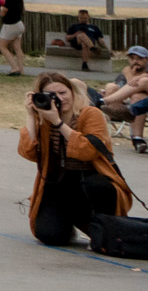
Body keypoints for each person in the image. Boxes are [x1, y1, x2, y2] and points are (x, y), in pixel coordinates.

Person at [19, 72, 135, 246]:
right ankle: (69, 223)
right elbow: (28, 152)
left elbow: (87, 151)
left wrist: (58, 123)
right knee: (49, 236)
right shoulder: (44, 118)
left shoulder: (90, 114)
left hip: (91, 181)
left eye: (63, 93)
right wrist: (30, 115)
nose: (59, 99)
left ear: (72, 92)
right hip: (59, 184)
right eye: (51, 95)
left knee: (96, 185)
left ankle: (105, 227)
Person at [0, 0, 29, 74]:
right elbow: (23, 10)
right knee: (17, 47)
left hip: (10, 25)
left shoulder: (8, 1)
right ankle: (21, 69)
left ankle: (14, 67)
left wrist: (2, 3)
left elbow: (2, 14)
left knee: (2, 46)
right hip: (19, 24)